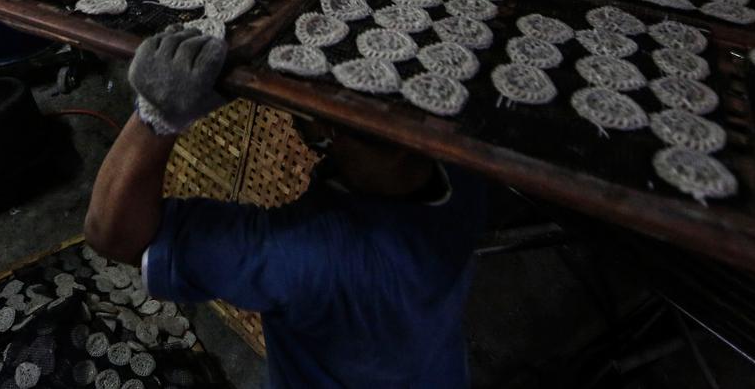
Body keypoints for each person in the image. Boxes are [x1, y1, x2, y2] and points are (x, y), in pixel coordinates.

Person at [85, 27, 487, 388]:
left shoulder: (311, 256)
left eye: (314, 118)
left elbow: (110, 233)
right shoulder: (464, 175)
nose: (303, 124)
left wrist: (155, 115)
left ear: (333, 131)